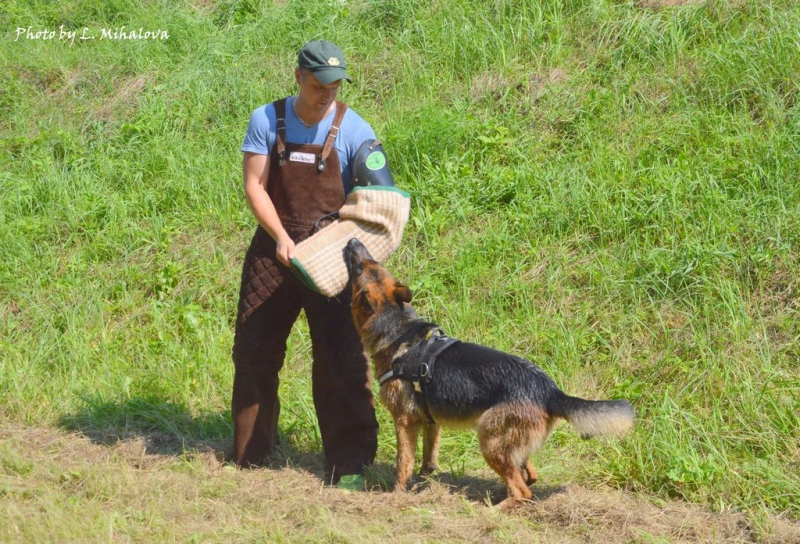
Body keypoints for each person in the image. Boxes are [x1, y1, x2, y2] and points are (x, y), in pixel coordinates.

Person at [232, 40, 379, 489]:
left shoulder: (355, 130)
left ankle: (350, 463)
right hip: (272, 252)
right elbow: (255, 186)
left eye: (335, 87)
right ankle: (252, 453)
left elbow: (380, 201)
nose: (326, 95)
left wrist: (343, 249)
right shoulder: (267, 120)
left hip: (332, 258)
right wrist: (281, 238)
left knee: (341, 359)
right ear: (298, 77)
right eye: (318, 85)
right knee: (254, 352)